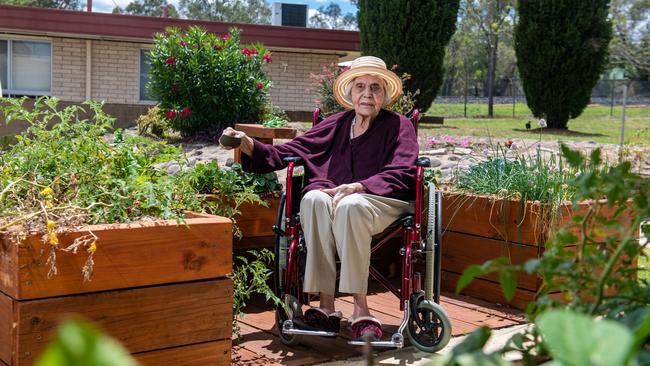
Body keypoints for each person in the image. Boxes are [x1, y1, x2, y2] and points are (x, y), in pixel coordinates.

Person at [220, 56, 419, 341]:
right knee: (313, 198)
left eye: (375, 87)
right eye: (360, 86)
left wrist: (359, 187)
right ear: (349, 92)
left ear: (385, 95)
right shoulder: (334, 126)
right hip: (334, 199)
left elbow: (404, 172)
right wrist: (245, 141)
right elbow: (286, 152)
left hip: (381, 201)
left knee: (350, 205)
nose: (367, 94)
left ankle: (360, 309)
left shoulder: (399, 126)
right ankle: (326, 306)